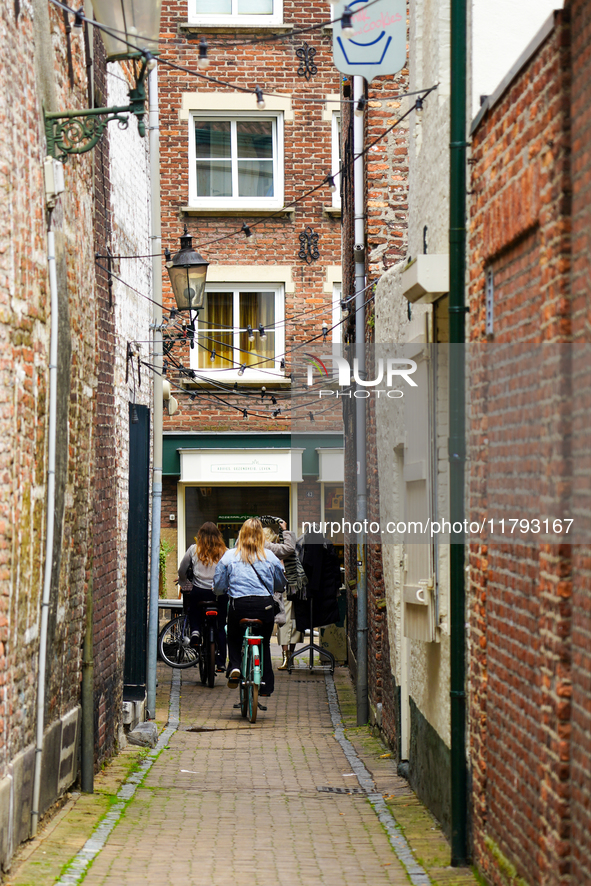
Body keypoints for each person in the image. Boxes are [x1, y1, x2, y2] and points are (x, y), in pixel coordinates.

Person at [213, 517, 285, 696]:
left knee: (234, 637)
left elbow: (219, 586)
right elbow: (281, 585)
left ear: (241, 535)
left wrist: (221, 590)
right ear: (261, 535)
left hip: (240, 606)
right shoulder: (270, 557)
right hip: (265, 607)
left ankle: (235, 666)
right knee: (265, 644)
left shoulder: (230, 556)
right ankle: (266, 686)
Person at [178, 522, 228, 672]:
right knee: (220, 625)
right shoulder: (225, 551)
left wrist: (184, 583)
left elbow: (182, 569)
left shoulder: (194, 549)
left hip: (199, 592)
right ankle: (220, 663)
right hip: (219, 594)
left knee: (193, 608)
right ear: (218, 535)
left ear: (200, 535)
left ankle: (195, 631)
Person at [260, 516, 303, 670]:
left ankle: (285, 656)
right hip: (282, 589)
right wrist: (285, 530)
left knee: (282, 623)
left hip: (265, 591)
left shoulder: (254, 548)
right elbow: (290, 548)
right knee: (288, 621)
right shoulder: (272, 549)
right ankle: (288, 655)